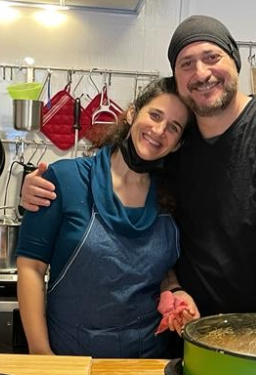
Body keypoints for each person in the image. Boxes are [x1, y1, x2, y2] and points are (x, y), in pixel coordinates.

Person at [21, 15, 256, 322]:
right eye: (186, 64)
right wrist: (37, 188)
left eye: (211, 57)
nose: (201, 73)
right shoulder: (177, 148)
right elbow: (159, 234)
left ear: (235, 60)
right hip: (193, 337)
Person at [16, 77, 196, 358]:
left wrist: (175, 291)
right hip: (69, 358)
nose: (159, 130)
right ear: (132, 113)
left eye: (173, 127)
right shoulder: (65, 179)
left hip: (145, 361)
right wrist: (40, 352)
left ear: (177, 144)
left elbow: (160, 270)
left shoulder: (172, 198)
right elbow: (31, 267)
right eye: (155, 115)